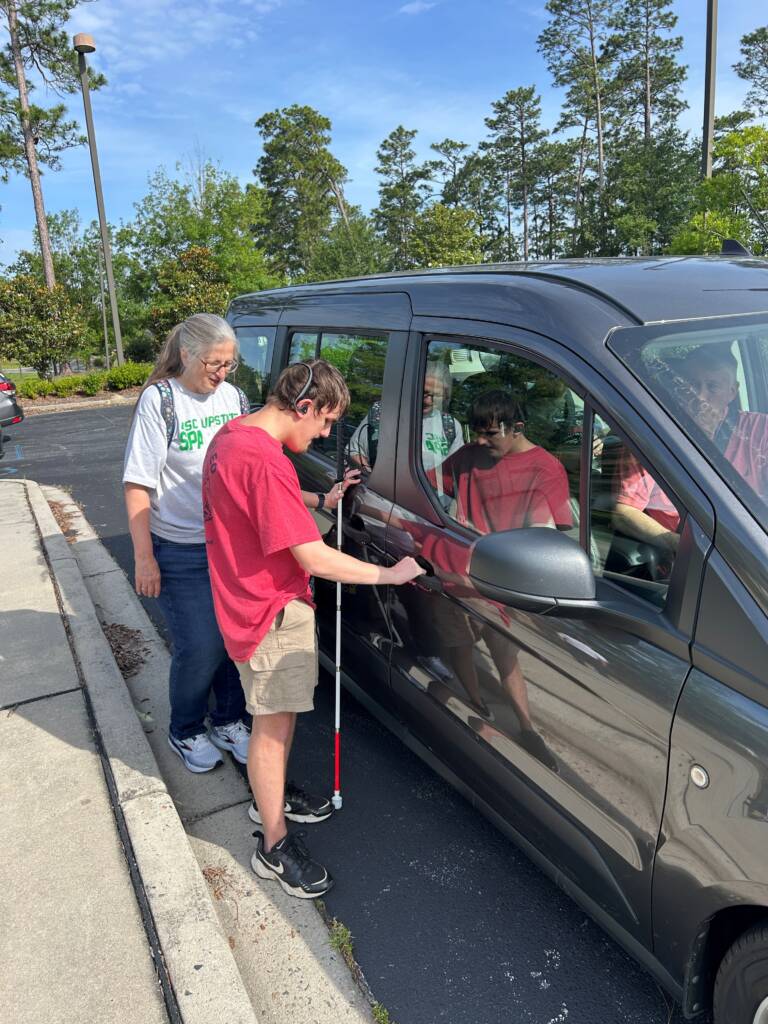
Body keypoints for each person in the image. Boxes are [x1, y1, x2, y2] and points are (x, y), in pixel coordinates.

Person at [202, 358, 424, 899]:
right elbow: (314, 557)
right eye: (324, 421)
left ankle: (267, 798)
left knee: (274, 724)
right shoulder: (265, 460)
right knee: (272, 732)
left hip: (243, 601)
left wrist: (318, 501)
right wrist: (389, 573)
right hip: (270, 612)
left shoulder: (233, 437)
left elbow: (261, 502)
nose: (326, 433)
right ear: (303, 406)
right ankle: (272, 845)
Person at [123, 315, 354, 776]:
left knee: (239, 642)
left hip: (230, 543)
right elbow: (137, 484)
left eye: (230, 364)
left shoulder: (233, 398)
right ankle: (186, 727)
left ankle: (228, 720)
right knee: (201, 645)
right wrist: (144, 556)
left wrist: (316, 499)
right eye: (215, 363)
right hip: (183, 544)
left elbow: (256, 478)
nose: (223, 373)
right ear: (187, 354)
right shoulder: (161, 401)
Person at [613, 345, 768, 553]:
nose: (700, 397)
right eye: (692, 385)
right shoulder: (654, 430)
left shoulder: (759, 431)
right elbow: (623, 512)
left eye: (712, 387)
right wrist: (680, 546)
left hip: (749, 554)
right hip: (681, 563)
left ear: (733, 391)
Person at [432, 389, 572, 532]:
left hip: (510, 554)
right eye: (478, 433)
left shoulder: (547, 469)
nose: (480, 441)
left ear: (517, 428)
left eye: (490, 433)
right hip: (462, 549)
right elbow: (424, 488)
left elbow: (543, 535)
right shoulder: (467, 455)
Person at [348, 362, 463, 475]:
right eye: (424, 393)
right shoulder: (383, 412)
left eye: (436, 395)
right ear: (413, 387)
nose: (428, 401)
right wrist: (371, 478)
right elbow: (355, 452)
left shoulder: (450, 426)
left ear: (445, 396)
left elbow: (455, 471)